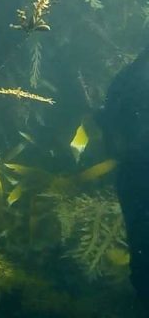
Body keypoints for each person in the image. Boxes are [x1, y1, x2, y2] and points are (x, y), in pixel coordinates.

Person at [98, 44, 149, 311]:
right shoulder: (132, 79)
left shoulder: (126, 78)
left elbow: (110, 135)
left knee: (143, 266)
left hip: (133, 178)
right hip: (138, 178)